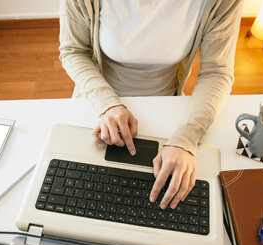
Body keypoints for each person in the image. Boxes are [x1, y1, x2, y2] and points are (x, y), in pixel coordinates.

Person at [59, 0, 243, 210]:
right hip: (97, 101)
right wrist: (107, 105)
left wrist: (186, 139)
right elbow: (73, 51)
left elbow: (216, 72)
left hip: (167, 107)